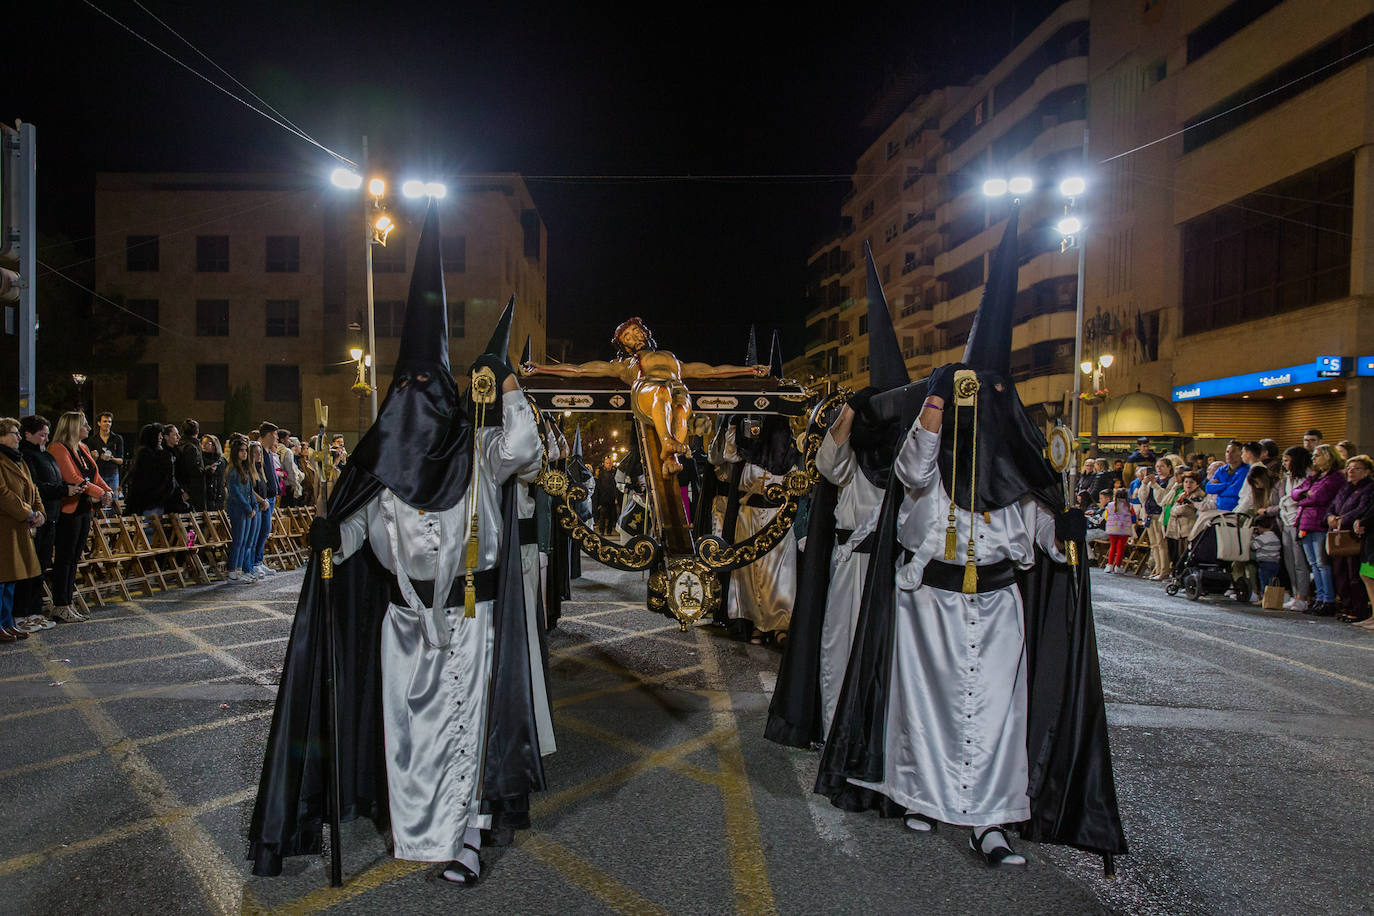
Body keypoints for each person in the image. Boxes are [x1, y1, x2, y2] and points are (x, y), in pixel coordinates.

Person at [249, 206, 549, 886]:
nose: (414, 400)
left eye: (427, 389)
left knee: (467, 730)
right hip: (404, 623)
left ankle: (467, 836)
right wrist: (330, 537)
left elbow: (527, 452)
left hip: (470, 618)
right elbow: (356, 532)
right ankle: (417, 833)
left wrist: (505, 383)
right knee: (410, 736)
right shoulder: (382, 465)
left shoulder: (478, 450)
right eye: (405, 388)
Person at [817, 212, 1125, 872]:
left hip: (995, 609)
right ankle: (920, 797)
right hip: (926, 603)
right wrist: (933, 405)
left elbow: (1051, 545)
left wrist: (1073, 525)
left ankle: (992, 823)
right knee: (920, 710)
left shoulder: (1018, 482)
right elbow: (911, 470)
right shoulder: (925, 466)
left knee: (995, 719)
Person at [768, 240, 908, 746]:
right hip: (850, 562)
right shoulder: (854, 460)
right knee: (838, 645)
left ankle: (875, 735)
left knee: (887, 655)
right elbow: (828, 462)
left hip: (892, 566)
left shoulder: (907, 460)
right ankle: (833, 730)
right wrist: (851, 411)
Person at [716, 413, 799, 644]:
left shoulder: (791, 460)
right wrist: (733, 423)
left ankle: (779, 624)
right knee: (749, 573)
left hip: (777, 521)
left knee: (778, 574)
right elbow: (728, 454)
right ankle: (755, 623)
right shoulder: (750, 455)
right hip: (749, 518)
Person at [47, 412, 112, 622]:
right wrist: (100, 493)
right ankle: (60, 604)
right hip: (69, 510)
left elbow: (94, 475)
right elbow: (72, 478)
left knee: (74, 558)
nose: (89, 428)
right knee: (64, 559)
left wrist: (107, 490)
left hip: (84, 509)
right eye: (85, 425)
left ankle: (68, 602)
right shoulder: (58, 448)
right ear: (73, 427)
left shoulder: (82, 448)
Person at [14, 416, 63, 630]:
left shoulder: (44, 454)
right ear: (28, 434)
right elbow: (35, 487)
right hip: (34, 519)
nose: (45, 439)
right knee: (29, 569)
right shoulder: (26, 455)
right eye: (41, 434)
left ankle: (34, 611)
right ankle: (22, 613)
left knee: (41, 568)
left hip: (49, 515)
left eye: (46, 434)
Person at [0, 417, 44, 643]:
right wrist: (28, 513)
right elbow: (3, 494)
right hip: (5, 527)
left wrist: (40, 512)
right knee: (2, 578)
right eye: (14, 433)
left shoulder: (19, 460)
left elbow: (33, 488)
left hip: (19, 528)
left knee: (11, 579)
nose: (18, 437)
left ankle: (7, 623)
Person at [1290, 444, 1345, 615]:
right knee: (1313, 564)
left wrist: (1304, 496)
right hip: (1306, 522)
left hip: (1320, 523)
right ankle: (1319, 598)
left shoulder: (1335, 477)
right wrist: (1306, 494)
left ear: (1328, 456)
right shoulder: (1315, 476)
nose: (1313, 459)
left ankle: (1328, 599)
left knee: (1322, 564)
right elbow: (1295, 493)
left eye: (1317, 455)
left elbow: (1320, 497)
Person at [1326, 453, 1374, 623]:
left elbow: (1362, 510)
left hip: (1354, 534)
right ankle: (1346, 607)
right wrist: (1330, 517)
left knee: (1355, 574)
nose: (1351, 471)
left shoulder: (1369, 488)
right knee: (1340, 572)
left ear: (1367, 471)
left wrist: (1342, 520)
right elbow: (1332, 506)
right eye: (1349, 468)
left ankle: (1358, 609)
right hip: (1339, 533)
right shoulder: (1345, 488)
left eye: (1357, 468)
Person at [1271, 446, 1313, 611]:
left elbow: (1297, 498)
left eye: (1287, 460)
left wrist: (1286, 501)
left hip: (1298, 521)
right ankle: (1296, 594)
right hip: (1285, 521)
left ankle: (1303, 596)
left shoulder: (1306, 477)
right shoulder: (1287, 478)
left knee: (1299, 561)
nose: (1284, 464)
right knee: (1289, 560)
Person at [224, 437, 261, 583]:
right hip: (237, 509)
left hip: (246, 508)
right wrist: (247, 507)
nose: (244, 453)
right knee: (238, 540)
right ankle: (232, 570)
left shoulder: (244, 469)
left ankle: (239, 570)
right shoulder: (233, 469)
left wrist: (253, 505)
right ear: (235, 452)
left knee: (245, 540)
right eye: (241, 451)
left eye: (246, 450)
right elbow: (235, 492)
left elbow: (249, 490)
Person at [125, 423, 177, 517]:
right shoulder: (148, 455)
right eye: (158, 435)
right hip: (150, 501)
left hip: (154, 500)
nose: (161, 438)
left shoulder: (152, 454)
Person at [250, 422, 281, 578]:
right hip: (263, 497)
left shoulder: (268, 452)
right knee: (260, 531)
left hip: (270, 496)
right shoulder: (258, 451)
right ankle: (254, 563)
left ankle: (259, 561)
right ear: (268, 434)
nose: (276, 438)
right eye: (275, 435)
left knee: (265, 531)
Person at [1144, 457, 1177, 579]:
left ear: (1169, 467)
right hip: (1149, 514)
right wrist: (1144, 483)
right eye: (1157, 467)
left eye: (1162, 466)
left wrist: (1155, 485)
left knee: (1161, 543)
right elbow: (1144, 496)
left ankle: (1164, 570)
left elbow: (1163, 498)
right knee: (1154, 544)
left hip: (1160, 514)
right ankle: (1157, 569)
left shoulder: (1171, 480)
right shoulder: (1155, 480)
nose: (1159, 469)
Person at [85, 411, 125, 497]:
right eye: (105, 421)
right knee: (99, 500)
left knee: (114, 500)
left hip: (113, 473)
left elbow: (121, 460)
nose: (107, 423)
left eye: (109, 421)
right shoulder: (93, 440)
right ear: (99, 423)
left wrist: (111, 458)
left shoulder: (117, 439)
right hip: (98, 474)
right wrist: (94, 457)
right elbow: (89, 461)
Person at [1205, 440, 1250, 511]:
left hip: (1236, 509)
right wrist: (1227, 484)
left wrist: (1219, 490)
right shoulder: (1222, 470)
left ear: (1241, 453)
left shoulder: (1246, 470)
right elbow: (1209, 488)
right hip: (1220, 509)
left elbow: (1235, 490)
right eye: (1227, 452)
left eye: (1233, 452)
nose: (1229, 455)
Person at [1251, 515, 1282, 604]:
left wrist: (1253, 537)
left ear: (1259, 527)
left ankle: (1264, 599)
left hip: (1264, 563)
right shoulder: (1275, 537)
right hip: (1275, 562)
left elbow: (1253, 546)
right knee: (1271, 582)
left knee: (1264, 581)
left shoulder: (1262, 538)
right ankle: (1272, 600)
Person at [1104, 487, 1134, 574]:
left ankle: (1109, 565)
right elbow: (1133, 515)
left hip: (1113, 529)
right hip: (1124, 529)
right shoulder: (1129, 506)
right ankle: (1118, 566)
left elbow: (1106, 516)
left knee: (1113, 546)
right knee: (1121, 547)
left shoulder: (1110, 505)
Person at [592, 455, 620, 536]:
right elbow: (598, 486)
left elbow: (616, 486)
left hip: (612, 497)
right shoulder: (600, 473)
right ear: (604, 464)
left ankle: (609, 531)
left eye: (610, 463)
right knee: (602, 515)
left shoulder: (614, 473)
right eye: (607, 463)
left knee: (611, 515)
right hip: (603, 498)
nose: (609, 465)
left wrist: (616, 497)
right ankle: (601, 530)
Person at [201, 435, 226, 511]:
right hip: (206, 496)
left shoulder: (221, 461)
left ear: (215, 445)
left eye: (207, 443)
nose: (204, 445)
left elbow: (222, 479)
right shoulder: (201, 459)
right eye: (202, 443)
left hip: (218, 497)